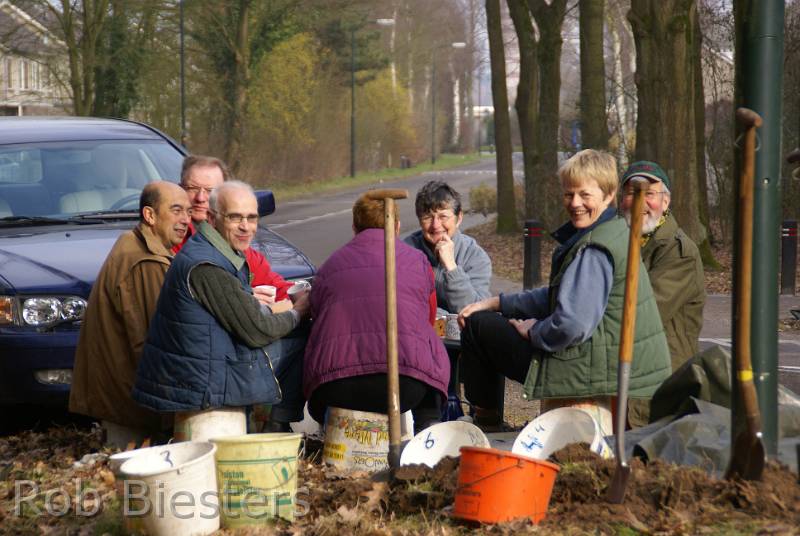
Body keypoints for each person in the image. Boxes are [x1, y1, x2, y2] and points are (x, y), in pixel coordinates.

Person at [458, 149, 671, 434]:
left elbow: (571, 324)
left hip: (589, 370)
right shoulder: (613, 231)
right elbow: (560, 296)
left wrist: (534, 331)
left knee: (476, 327)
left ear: (608, 196)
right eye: (569, 195)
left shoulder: (595, 249)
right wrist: (498, 302)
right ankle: (487, 418)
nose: (575, 204)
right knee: (487, 318)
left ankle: (485, 420)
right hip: (602, 362)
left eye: (585, 195)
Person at [133, 181, 311, 432]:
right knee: (304, 339)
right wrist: (299, 312)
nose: (245, 227)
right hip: (204, 381)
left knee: (292, 332)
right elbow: (257, 330)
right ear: (212, 217)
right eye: (235, 217)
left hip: (205, 366)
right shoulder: (207, 265)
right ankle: (277, 427)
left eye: (251, 218)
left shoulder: (211, 251)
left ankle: (275, 424)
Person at [303, 193, 450, 431]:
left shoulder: (330, 265)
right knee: (430, 349)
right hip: (405, 385)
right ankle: (428, 430)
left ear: (354, 227)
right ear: (398, 226)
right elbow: (428, 318)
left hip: (337, 386)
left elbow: (316, 317)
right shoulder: (418, 261)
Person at [69, 182, 191, 447]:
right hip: (131, 404)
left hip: (121, 396)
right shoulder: (145, 262)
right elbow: (155, 341)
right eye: (176, 210)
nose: (185, 220)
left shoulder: (134, 244)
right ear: (150, 216)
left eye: (188, 212)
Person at [620, 161, 706, 427]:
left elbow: (646, 315)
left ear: (665, 202)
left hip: (659, 383)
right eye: (632, 193)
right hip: (621, 374)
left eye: (649, 194)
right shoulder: (620, 241)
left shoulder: (679, 252)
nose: (640, 202)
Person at [175, 155, 293, 308]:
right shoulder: (169, 242)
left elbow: (275, 286)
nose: (200, 198)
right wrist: (246, 299)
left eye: (210, 190)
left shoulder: (236, 242)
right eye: (192, 188)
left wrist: (304, 294)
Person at [404, 181, 491, 314]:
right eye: (427, 217)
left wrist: (451, 267)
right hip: (417, 333)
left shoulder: (475, 256)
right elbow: (403, 305)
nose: (435, 225)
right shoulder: (406, 251)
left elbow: (476, 313)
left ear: (459, 218)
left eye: (443, 216)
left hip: (463, 335)